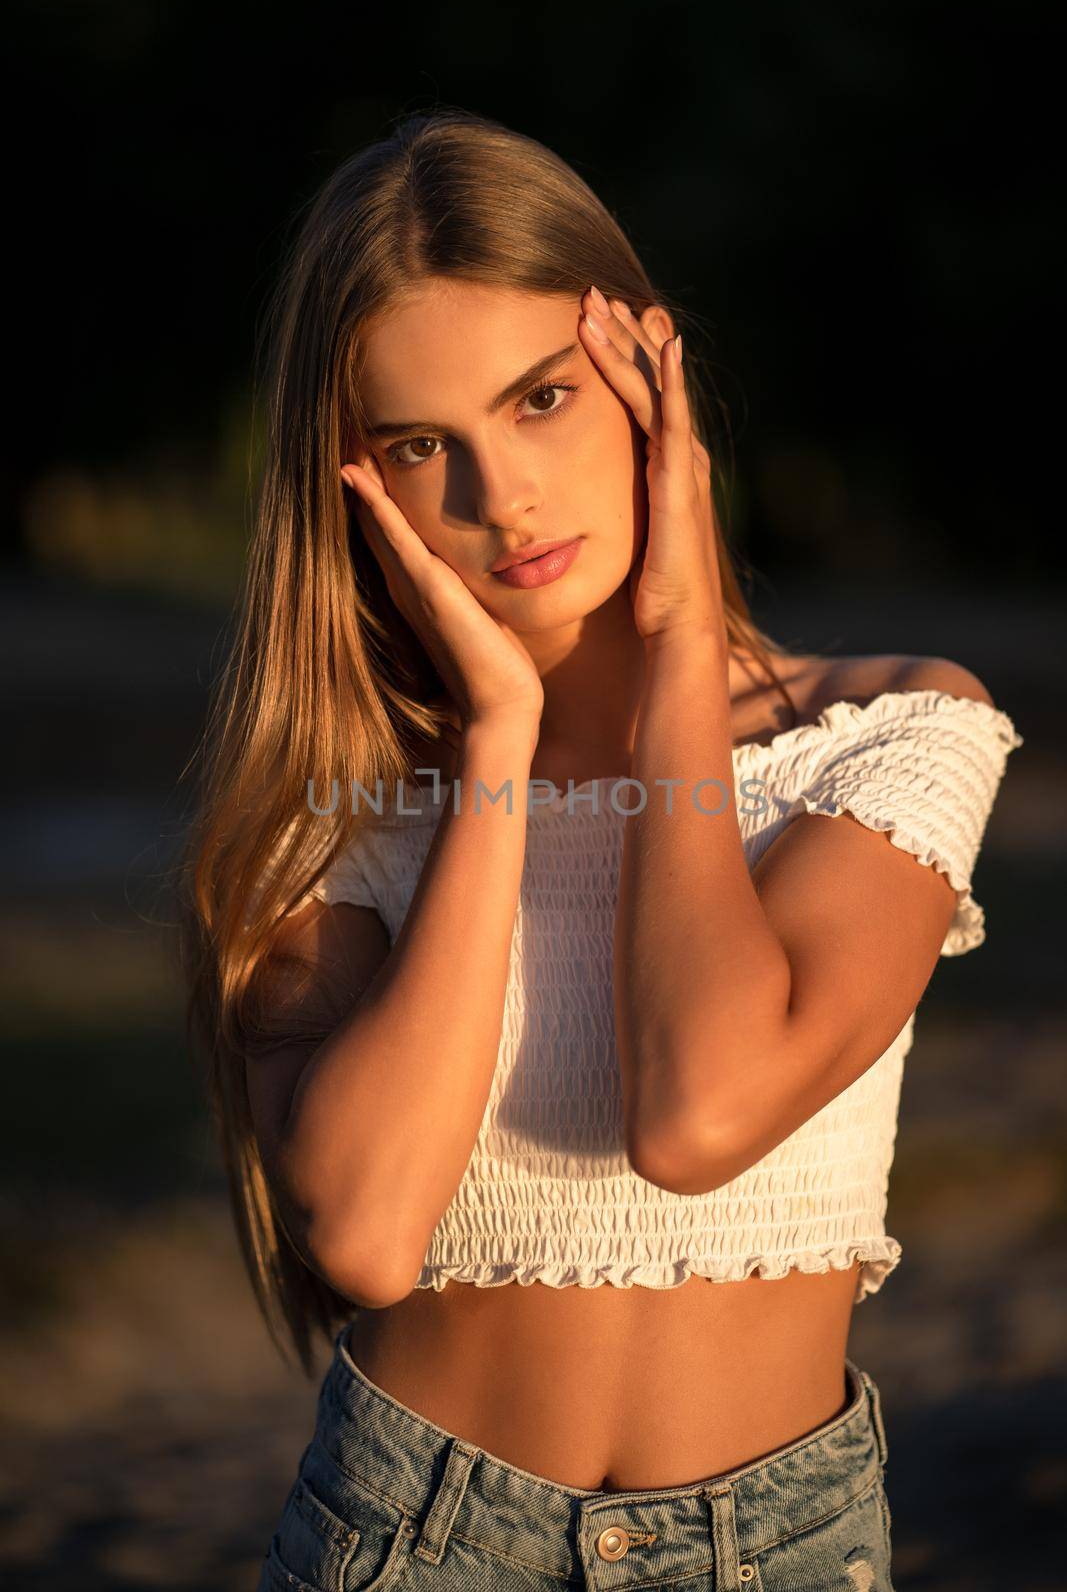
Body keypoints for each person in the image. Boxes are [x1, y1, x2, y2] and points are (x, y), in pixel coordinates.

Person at [179, 106, 1023, 1592]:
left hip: (787, 1546)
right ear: (349, 479)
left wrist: (685, 637)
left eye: (543, 399)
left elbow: (699, 1111)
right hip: (416, 1544)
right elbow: (367, 1236)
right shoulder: (336, 815)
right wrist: (494, 755)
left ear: (644, 368)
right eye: (422, 442)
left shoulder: (897, 737)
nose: (499, 498)